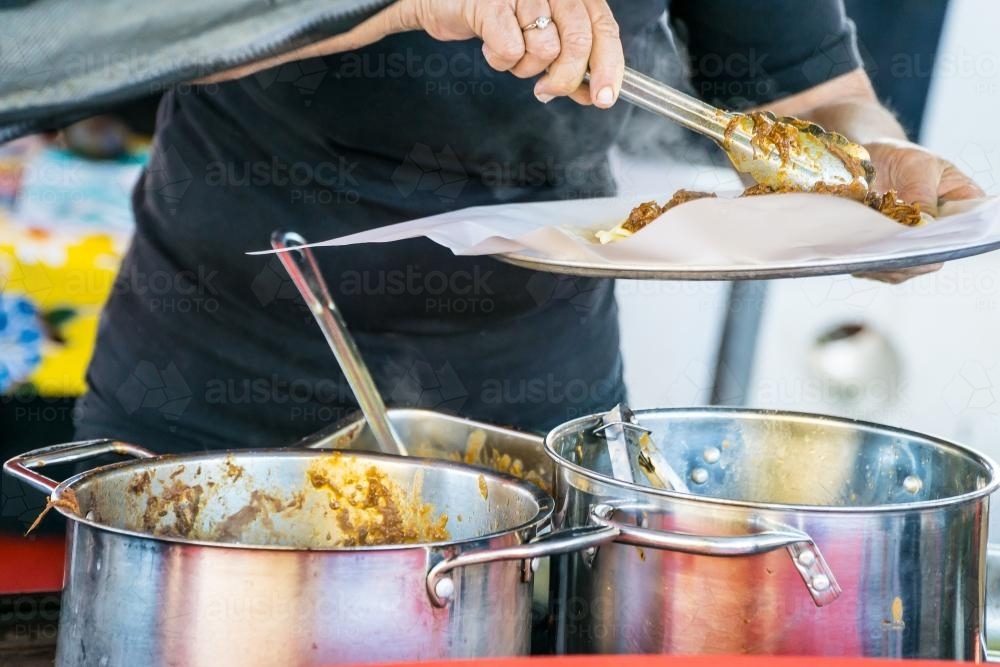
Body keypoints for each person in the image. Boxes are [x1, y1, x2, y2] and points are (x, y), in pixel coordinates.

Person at [71, 0, 983, 453]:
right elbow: (129, 26)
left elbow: (816, 91)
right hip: (223, 387)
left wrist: (870, 176)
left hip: (538, 414)